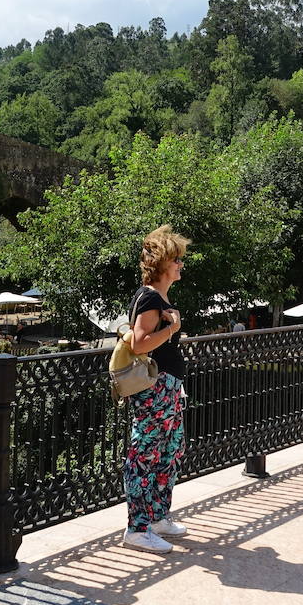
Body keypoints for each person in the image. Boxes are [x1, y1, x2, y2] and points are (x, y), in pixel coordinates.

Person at [121, 224, 190, 553]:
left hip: (168, 386)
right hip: (154, 387)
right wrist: (173, 327)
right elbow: (138, 344)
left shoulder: (159, 296)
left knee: (168, 452)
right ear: (163, 264)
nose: (180, 265)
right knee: (145, 455)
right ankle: (137, 528)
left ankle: (158, 516)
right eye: (177, 260)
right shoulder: (149, 297)